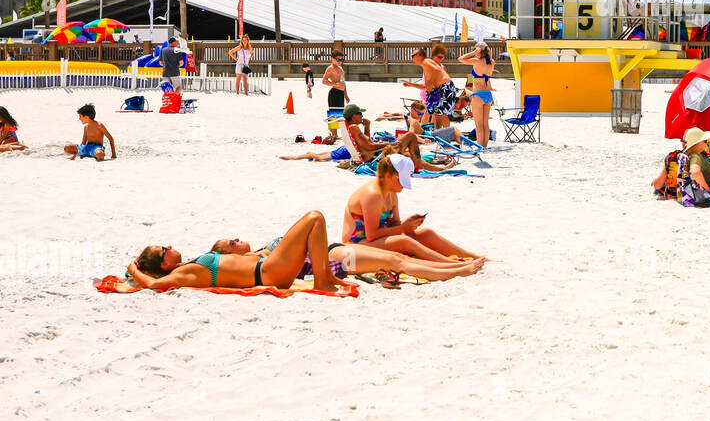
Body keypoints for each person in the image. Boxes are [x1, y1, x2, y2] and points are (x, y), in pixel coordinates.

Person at [127, 211, 350, 295]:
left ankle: (326, 278)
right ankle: (322, 281)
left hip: (270, 269)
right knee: (314, 218)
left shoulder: (188, 266)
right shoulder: (183, 273)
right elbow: (154, 285)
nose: (169, 246)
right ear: (164, 264)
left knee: (313, 224)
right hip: (269, 272)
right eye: (164, 250)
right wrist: (133, 270)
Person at [342, 154, 484, 262]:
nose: (403, 185)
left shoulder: (391, 193)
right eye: (401, 180)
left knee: (426, 233)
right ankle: (450, 263)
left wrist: (408, 224)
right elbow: (372, 234)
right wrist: (403, 229)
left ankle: (473, 256)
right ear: (388, 176)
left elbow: (394, 225)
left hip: (373, 240)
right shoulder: (372, 195)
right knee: (404, 241)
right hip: (356, 244)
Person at [215, 230, 483, 282]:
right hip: (335, 259)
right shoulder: (260, 262)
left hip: (333, 249)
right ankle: (456, 271)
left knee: (394, 258)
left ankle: (451, 265)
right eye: (232, 243)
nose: (238, 240)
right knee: (394, 260)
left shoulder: (263, 249)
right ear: (229, 254)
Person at [402, 45, 455, 130]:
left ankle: (444, 135)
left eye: (413, 56)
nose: (411, 58)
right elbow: (425, 86)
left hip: (444, 87)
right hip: (443, 87)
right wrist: (411, 84)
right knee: (438, 114)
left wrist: (431, 83)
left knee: (441, 114)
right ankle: (440, 134)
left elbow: (436, 70)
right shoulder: (426, 66)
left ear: (419, 56)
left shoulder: (426, 61)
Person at [456, 41, 495, 145]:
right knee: (485, 124)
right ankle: (484, 146)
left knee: (478, 124)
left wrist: (473, 53)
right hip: (488, 94)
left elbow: (460, 59)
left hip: (478, 95)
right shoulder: (491, 62)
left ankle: (480, 146)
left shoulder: (477, 61)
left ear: (479, 50)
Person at [322, 52, 348, 140]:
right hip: (334, 93)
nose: (340, 61)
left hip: (341, 93)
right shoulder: (330, 68)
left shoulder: (341, 69)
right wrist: (334, 84)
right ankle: (334, 134)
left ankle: (337, 133)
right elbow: (324, 80)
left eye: (341, 59)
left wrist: (346, 95)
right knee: (333, 113)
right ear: (332, 59)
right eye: (338, 59)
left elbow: (343, 83)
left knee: (340, 113)